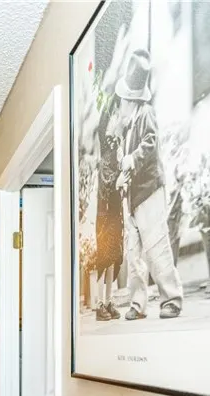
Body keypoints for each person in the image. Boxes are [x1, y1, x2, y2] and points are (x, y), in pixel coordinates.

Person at [115, 48, 183, 320]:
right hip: (133, 197)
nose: (120, 104)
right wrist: (124, 174)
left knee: (157, 248)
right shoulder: (129, 125)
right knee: (134, 257)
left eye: (121, 100)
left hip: (149, 192)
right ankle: (137, 304)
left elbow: (151, 144)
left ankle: (172, 299)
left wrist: (130, 160)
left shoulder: (146, 114)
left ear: (129, 100)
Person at [93, 95, 124, 321]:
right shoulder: (105, 152)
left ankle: (109, 301)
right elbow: (103, 123)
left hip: (116, 214)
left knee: (114, 257)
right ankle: (98, 304)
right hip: (104, 214)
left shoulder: (118, 148)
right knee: (103, 259)